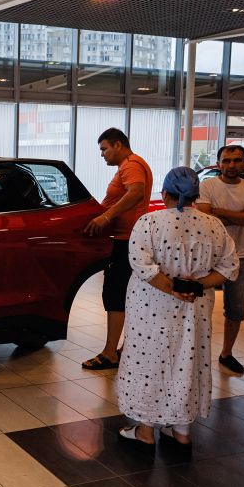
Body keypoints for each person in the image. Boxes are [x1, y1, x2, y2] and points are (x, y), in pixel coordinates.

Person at [117, 167, 239, 446]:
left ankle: (145, 430)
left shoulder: (149, 222)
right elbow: (229, 267)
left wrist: (174, 288)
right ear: (196, 195)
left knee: (150, 361)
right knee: (188, 360)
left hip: (152, 306)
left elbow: (141, 265)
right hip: (196, 307)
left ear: (164, 193)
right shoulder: (214, 225)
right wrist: (195, 286)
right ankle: (181, 431)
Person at [82, 128, 153, 370]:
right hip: (125, 238)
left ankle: (110, 353)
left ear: (118, 145)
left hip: (128, 240)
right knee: (124, 296)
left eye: (104, 149)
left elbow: (137, 193)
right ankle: (124, 349)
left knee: (115, 296)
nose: (102, 155)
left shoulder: (130, 164)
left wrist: (106, 217)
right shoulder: (127, 166)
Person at [196, 145, 244, 374]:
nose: (231, 165)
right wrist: (240, 217)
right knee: (197, 305)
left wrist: (221, 212)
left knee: (236, 310)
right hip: (207, 257)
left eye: (237, 160)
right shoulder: (207, 185)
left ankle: (226, 354)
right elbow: (205, 217)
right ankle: (196, 352)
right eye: (226, 161)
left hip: (239, 256)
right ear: (218, 163)